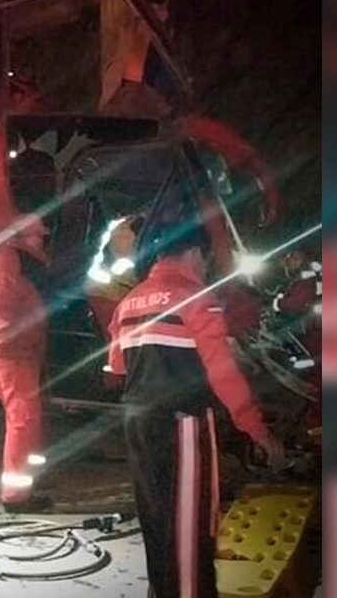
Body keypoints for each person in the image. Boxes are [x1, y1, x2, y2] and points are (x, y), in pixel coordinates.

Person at [107, 226, 285, 598]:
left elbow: (118, 366)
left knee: (156, 518)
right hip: (181, 424)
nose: (206, 268)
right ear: (195, 253)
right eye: (206, 259)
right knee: (190, 524)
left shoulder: (129, 302)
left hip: (136, 422)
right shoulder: (195, 298)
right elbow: (224, 376)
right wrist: (258, 431)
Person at [0, 215, 53, 512]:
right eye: (39, 236)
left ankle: (25, 485)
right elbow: (17, 310)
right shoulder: (15, 261)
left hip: (3, 349)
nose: (43, 241)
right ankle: (16, 497)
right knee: (23, 422)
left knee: (24, 420)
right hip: (11, 352)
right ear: (24, 236)